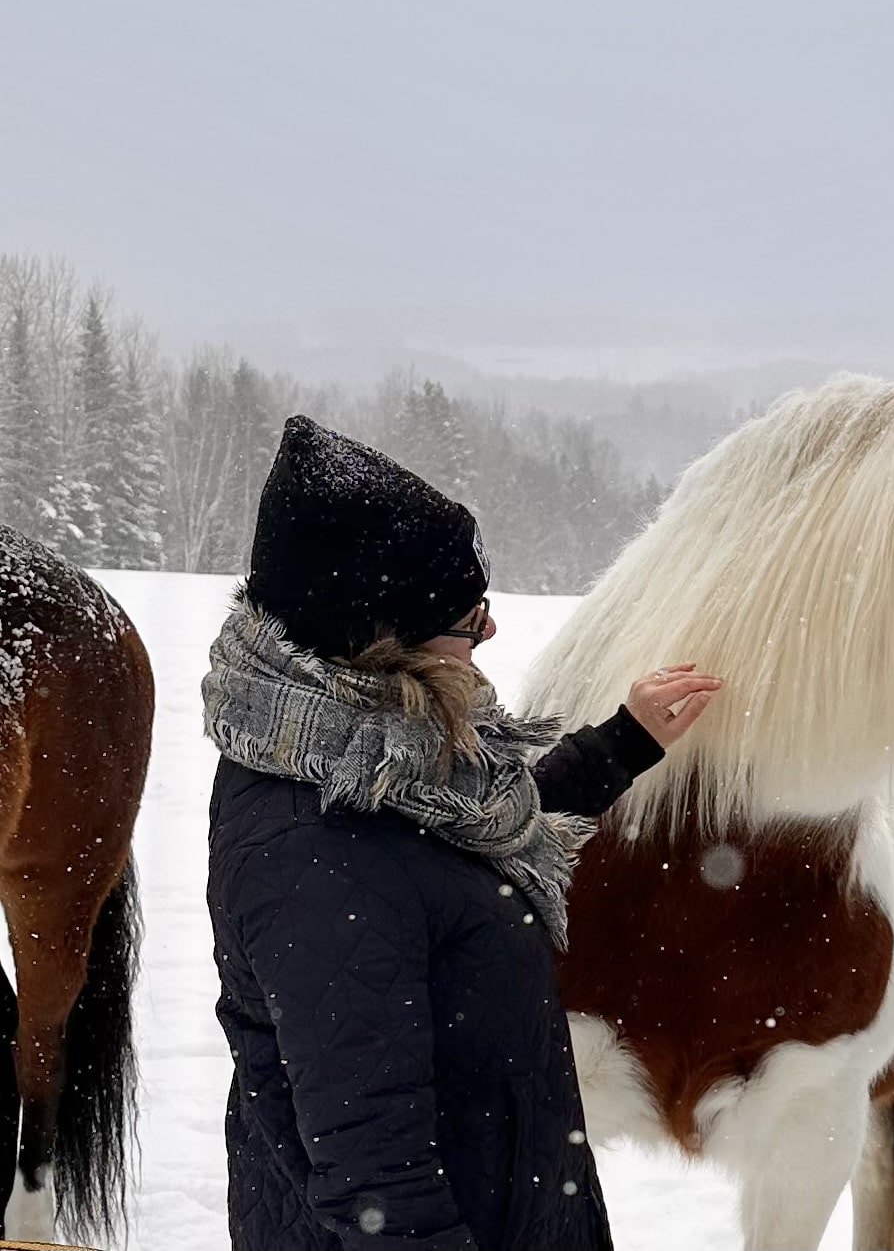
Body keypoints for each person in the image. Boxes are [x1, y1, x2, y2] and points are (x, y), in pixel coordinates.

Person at [205, 414, 719, 1251]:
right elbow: (378, 1178)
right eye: (468, 615)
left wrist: (623, 743)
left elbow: (448, 849)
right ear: (385, 637)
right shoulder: (314, 853)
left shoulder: (362, 756)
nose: (489, 630)